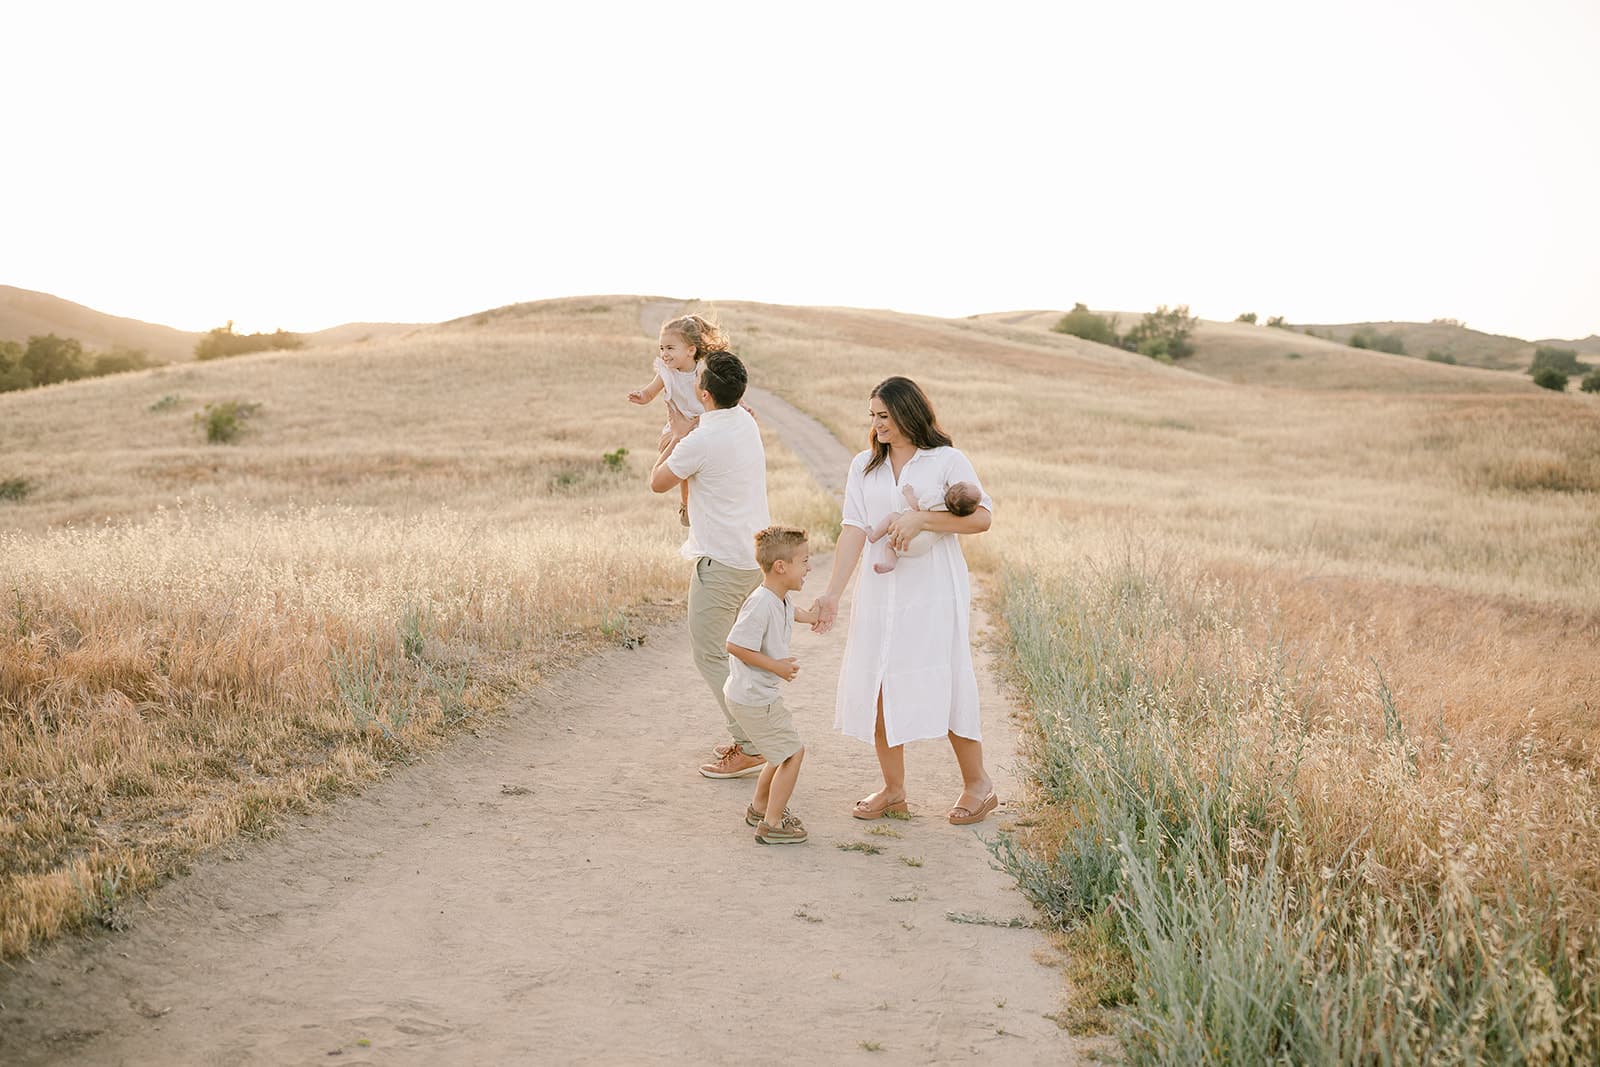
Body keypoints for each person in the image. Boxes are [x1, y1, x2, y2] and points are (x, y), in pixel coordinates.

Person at [811, 376, 999, 825]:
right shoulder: (864, 466)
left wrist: (922, 519)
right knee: (878, 682)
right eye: (873, 417)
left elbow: (982, 518)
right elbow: (854, 528)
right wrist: (833, 593)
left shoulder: (946, 460)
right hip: (880, 590)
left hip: (933, 590)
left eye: (885, 417)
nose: (877, 426)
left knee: (948, 678)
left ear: (910, 414)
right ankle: (894, 791)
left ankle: (979, 785)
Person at [650, 350, 771, 779]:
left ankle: (751, 744)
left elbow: (657, 482)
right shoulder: (746, 421)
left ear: (703, 393)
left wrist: (677, 436)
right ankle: (753, 736)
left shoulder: (699, 439)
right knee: (740, 653)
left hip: (721, 563)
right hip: (755, 558)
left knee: (710, 654)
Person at [724, 526, 820, 844]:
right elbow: (735, 645)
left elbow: (795, 613)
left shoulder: (780, 598)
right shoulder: (760, 603)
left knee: (779, 754)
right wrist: (776, 666)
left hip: (756, 696)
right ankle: (772, 824)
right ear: (781, 566)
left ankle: (760, 807)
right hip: (753, 696)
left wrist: (816, 616)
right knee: (793, 753)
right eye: (804, 561)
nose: (809, 567)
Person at [628, 314, 725, 526]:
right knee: (682, 460)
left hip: (702, 426)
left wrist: (743, 406)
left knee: (698, 463)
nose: (664, 354)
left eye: (670, 348)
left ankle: (698, 502)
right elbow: (650, 392)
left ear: (691, 350)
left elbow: (723, 393)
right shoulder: (666, 373)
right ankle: (686, 504)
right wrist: (641, 396)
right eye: (662, 348)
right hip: (677, 429)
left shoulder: (703, 370)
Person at [866, 480, 983, 574]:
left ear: (951, 489)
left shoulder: (935, 501)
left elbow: (916, 506)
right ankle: (891, 562)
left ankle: (874, 536)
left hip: (911, 535)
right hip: (922, 546)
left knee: (892, 518)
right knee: (891, 547)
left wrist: (908, 493)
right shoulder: (955, 516)